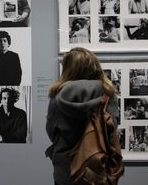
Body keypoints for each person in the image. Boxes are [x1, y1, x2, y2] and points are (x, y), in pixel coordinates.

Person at [45, 47, 121, 185]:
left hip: (66, 168)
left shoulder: (57, 94)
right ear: (94, 66)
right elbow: (112, 128)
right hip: (99, 167)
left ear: (68, 68)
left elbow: (51, 132)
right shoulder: (107, 93)